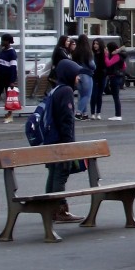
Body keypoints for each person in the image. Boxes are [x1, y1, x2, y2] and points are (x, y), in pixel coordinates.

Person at [44, 58, 85, 223]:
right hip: (62, 142)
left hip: (51, 140)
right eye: (76, 75)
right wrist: (69, 145)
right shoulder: (66, 91)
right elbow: (66, 120)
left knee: (53, 174)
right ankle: (59, 209)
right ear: (68, 74)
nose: (78, 78)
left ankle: (49, 208)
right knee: (61, 175)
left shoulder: (55, 90)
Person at [72, 36, 95, 122]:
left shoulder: (75, 52)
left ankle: (85, 114)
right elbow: (92, 65)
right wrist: (94, 67)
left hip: (78, 75)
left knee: (82, 95)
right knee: (87, 95)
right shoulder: (88, 52)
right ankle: (78, 113)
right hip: (87, 74)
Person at [103, 41, 125, 120]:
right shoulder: (120, 56)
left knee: (116, 97)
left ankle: (118, 115)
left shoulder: (116, 56)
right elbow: (124, 66)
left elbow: (108, 63)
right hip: (118, 77)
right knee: (116, 96)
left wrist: (106, 56)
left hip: (114, 77)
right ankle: (117, 115)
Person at [89, 38, 107, 119]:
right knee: (93, 94)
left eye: (97, 44)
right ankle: (92, 113)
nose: (95, 45)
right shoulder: (93, 54)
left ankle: (98, 113)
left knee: (99, 95)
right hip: (94, 76)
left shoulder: (104, 54)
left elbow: (107, 64)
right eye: (94, 44)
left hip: (102, 76)